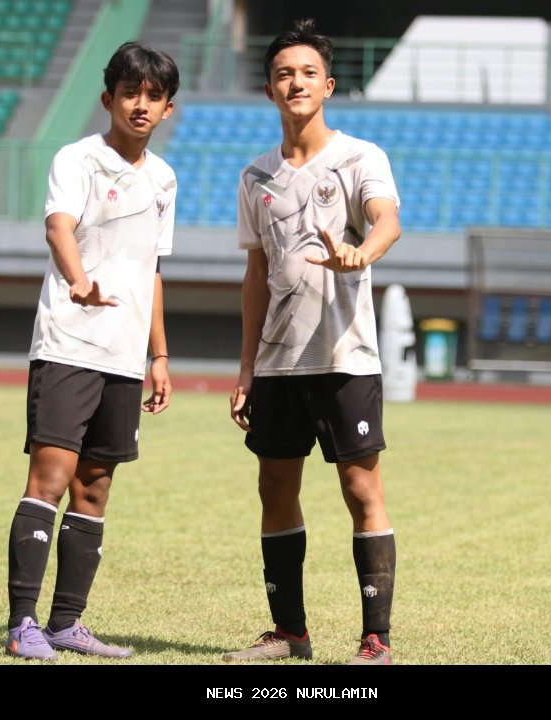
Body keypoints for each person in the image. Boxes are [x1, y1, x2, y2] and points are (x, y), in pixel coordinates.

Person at [225, 19, 401, 665]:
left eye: (306, 73)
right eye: (282, 73)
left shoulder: (360, 157)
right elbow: (255, 274)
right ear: (269, 88)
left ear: (326, 85)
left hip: (344, 354)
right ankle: (288, 632)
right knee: (276, 487)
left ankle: (375, 639)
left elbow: (388, 220)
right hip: (276, 362)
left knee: (361, 489)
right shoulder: (254, 177)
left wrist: (361, 254)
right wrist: (245, 367)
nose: (294, 82)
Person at [4, 42, 178, 661]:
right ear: (107, 99)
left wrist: (158, 355)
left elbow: (153, 269)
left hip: (126, 354)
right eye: (130, 92)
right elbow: (58, 226)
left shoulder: (163, 180)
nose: (140, 104)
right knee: (49, 479)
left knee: (96, 487)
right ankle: (22, 623)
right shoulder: (77, 158)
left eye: (152, 96)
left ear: (167, 110)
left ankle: (66, 623)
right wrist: (76, 278)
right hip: (69, 342)